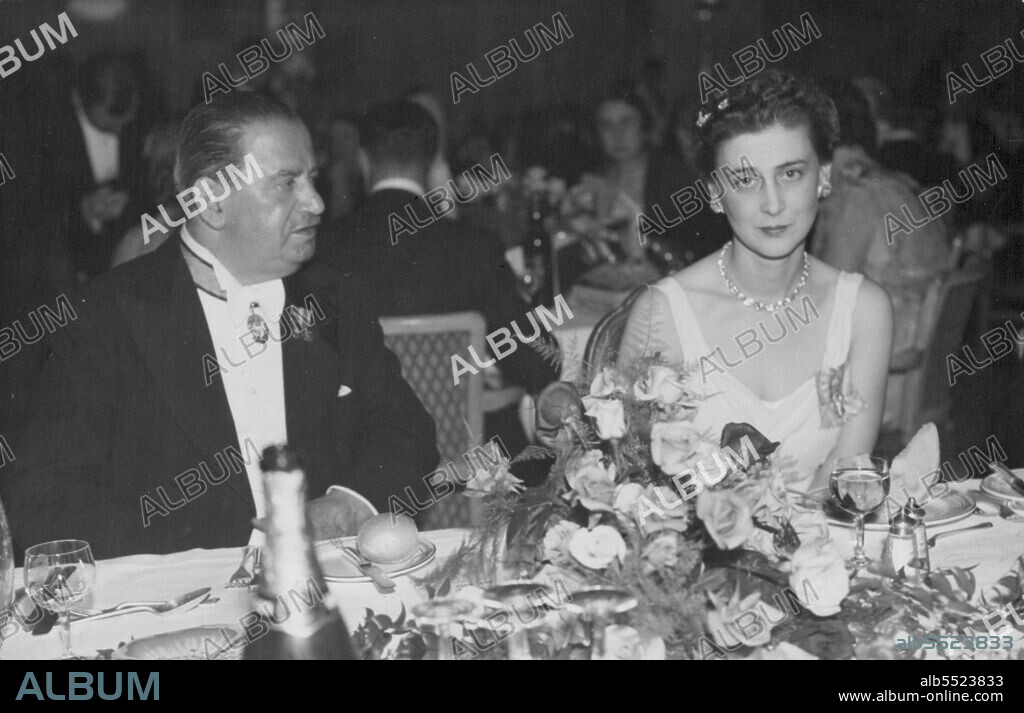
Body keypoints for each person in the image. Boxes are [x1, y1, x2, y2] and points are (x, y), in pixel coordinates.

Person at [1, 93, 438, 560]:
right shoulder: (106, 316)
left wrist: (349, 505)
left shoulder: (335, 298)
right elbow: (48, 497)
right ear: (211, 204)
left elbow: (406, 431)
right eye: (286, 183)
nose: (315, 202)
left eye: (311, 178)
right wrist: (221, 558)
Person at [618, 71, 893, 492]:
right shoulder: (663, 313)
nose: (773, 204)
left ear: (822, 177)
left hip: (822, 549)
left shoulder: (863, 310)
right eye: (745, 180)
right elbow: (639, 484)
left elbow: (843, 476)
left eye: (790, 174)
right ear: (714, 193)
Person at [318, 99, 558, 455]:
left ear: (364, 160)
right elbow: (540, 362)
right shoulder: (473, 245)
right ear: (434, 165)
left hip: (360, 464)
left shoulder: (322, 246)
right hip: (468, 466)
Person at [811, 79, 950, 430]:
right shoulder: (898, 185)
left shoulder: (855, 198)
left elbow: (824, 301)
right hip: (905, 381)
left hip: (871, 388)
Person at [591, 82, 730, 269]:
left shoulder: (675, 176)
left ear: (644, 125)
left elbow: (697, 249)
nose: (617, 135)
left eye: (627, 122)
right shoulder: (598, 178)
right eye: (606, 125)